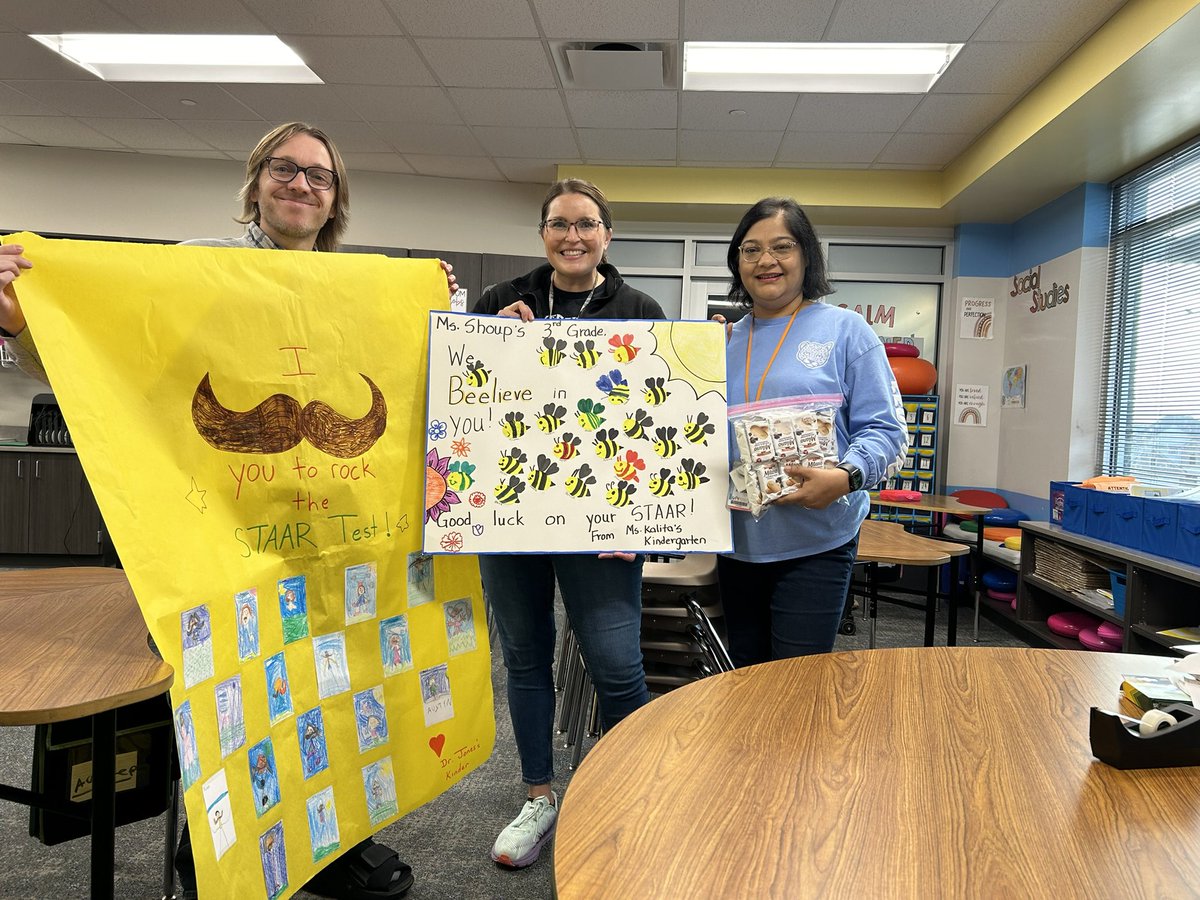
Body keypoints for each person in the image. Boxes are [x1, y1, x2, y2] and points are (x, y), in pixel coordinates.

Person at [0, 121, 450, 900]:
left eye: (320, 175)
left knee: (328, 690)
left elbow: (426, 386)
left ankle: (332, 845)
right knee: (226, 704)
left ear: (336, 199)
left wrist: (433, 307)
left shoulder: (358, 294)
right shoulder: (195, 269)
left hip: (327, 543)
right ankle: (212, 857)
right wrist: (20, 314)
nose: (301, 184)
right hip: (221, 537)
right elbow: (100, 344)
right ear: (256, 180)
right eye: (285, 168)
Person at [472, 178, 663, 869]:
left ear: (607, 236)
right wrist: (495, 341)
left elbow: (655, 411)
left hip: (602, 523)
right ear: (543, 233)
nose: (573, 236)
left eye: (586, 224)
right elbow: (472, 399)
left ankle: (628, 791)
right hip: (513, 515)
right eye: (559, 224)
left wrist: (642, 519)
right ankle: (538, 798)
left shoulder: (639, 307)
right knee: (524, 659)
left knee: (616, 664)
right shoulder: (504, 302)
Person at [718, 197, 908, 666]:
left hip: (816, 542)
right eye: (750, 249)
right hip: (735, 544)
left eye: (781, 247)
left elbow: (886, 431)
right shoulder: (719, 340)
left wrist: (846, 477)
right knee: (745, 683)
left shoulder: (847, 331)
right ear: (737, 261)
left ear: (806, 255)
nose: (766, 260)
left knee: (800, 685)